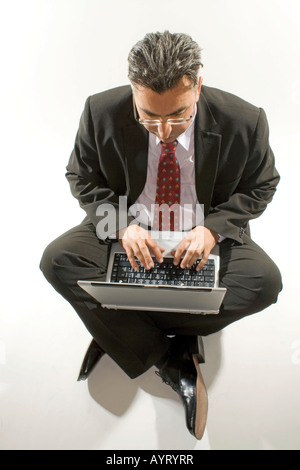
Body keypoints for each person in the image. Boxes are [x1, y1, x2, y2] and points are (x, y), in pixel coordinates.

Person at [40, 31, 282, 440]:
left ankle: (116, 326)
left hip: (202, 228)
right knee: (57, 260)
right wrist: (119, 224)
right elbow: (80, 176)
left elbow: (262, 186)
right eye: (149, 117)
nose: (165, 131)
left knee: (264, 284)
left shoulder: (245, 119)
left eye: (180, 116)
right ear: (133, 91)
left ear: (198, 87)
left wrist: (213, 230)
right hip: (129, 222)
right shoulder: (101, 110)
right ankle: (169, 355)